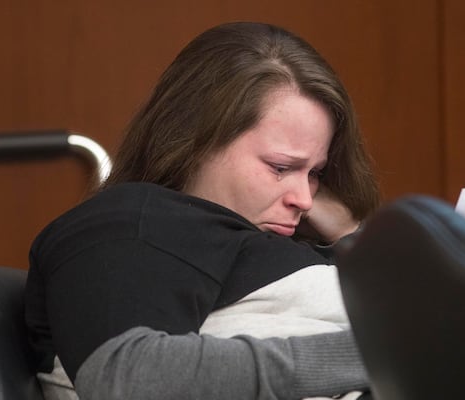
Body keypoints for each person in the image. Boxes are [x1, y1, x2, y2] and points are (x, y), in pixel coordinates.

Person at [25, 21, 381, 400]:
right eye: (280, 166)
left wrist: (351, 236)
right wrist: (387, 354)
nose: (305, 199)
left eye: (316, 173)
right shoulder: (134, 221)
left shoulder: (282, 240)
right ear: (195, 141)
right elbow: (126, 376)